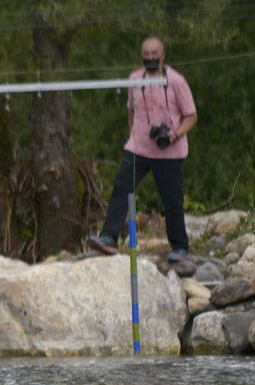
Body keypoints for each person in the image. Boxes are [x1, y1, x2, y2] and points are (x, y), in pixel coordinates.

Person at [88, 36, 198, 263]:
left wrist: (175, 134)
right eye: (146, 55)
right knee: (121, 188)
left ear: (163, 56)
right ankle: (109, 237)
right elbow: (130, 109)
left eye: (154, 54)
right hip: (139, 149)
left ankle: (180, 247)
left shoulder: (176, 81)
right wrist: (133, 135)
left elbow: (192, 116)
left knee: (172, 201)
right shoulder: (135, 79)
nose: (150, 58)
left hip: (170, 151)